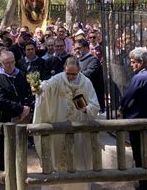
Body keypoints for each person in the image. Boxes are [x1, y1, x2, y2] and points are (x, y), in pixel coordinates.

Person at [33, 57, 99, 190]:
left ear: (79, 70)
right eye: (68, 73)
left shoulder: (86, 83)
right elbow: (47, 86)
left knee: (78, 161)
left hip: (78, 130)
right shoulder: (58, 79)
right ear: (64, 68)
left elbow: (95, 105)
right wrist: (40, 87)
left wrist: (86, 109)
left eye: (74, 74)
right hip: (59, 128)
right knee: (57, 160)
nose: (70, 77)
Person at [120, 47, 147, 190]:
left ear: (141, 62)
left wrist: (122, 108)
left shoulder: (140, 77)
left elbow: (127, 97)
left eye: (133, 62)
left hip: (138, 120)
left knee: (140, 153)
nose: (131, 65)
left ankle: (145, 184)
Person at [0, 50, 33, 171]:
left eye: (12, 62)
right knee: (5, 147)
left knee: (20, 146)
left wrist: (27, 107)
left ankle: (20, 171)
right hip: (5, 118)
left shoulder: (22, 75)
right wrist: (20, 109)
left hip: (22, 118)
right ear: (1, 64)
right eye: (6, 63)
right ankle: (5, 174)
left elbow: (29, 93)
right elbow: (0, 100)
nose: (10, 65)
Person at [74, 39, 105, 113]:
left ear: (87, 48)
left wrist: (73, 74)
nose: (77, 51)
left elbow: (88, 75)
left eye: (79, 48)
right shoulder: (76, 61)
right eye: (75, 49)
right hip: (81, 100)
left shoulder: (93, 60)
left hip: (94, 101)